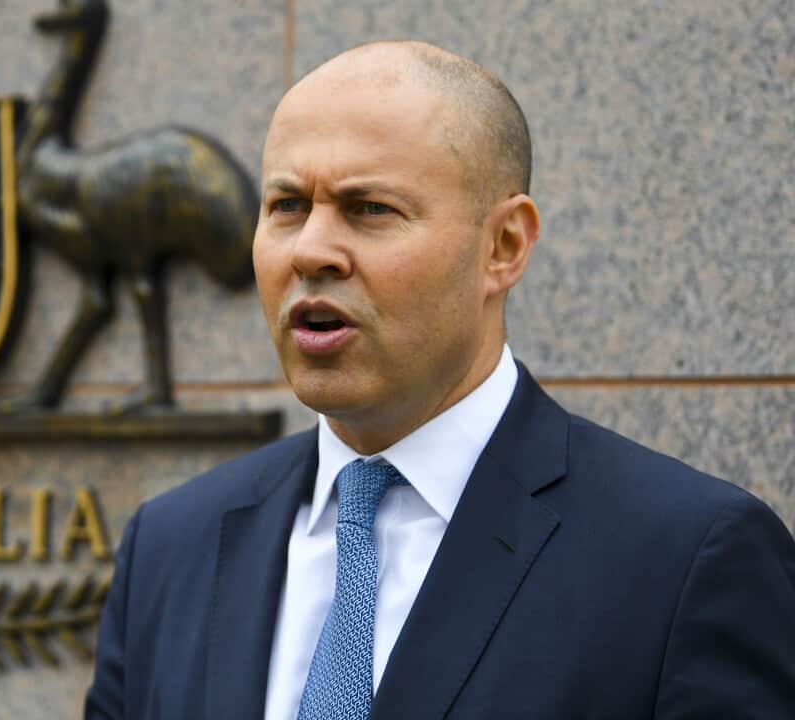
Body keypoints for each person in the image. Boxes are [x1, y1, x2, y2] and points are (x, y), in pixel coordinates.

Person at [83, 40, 795, 719]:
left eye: (370, 209)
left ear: (503, 246)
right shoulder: (169, 546)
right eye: (287, 207)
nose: (312, 251)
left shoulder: (686, 557)